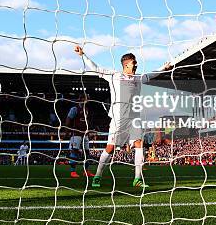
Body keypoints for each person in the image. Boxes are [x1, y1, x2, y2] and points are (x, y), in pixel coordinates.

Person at [74, 45, 171, 189]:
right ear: (126, 65)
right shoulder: (115, 76)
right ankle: (98, 175)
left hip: (134, 119)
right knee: (110, 148)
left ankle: (137, 179)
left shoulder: (138, 78)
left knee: (139, 145)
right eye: (134, 62)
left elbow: (152, 74)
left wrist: (164, 68)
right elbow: (96, 68)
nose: (136, 64)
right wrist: (83, 55)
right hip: (119, 119)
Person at [65, 95, 95, 178]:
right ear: (81, 99)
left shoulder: (86, 110)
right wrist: (67, 132)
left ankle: (86, 171)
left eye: (88, 99)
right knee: (74, 152)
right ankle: (73, 172)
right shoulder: (74, 109)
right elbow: (68, 120)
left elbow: (86, 122)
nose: (87, 100)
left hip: (85, 134)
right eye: (85, 99)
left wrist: (88, 132)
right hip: (76, 134)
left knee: (87, 153)